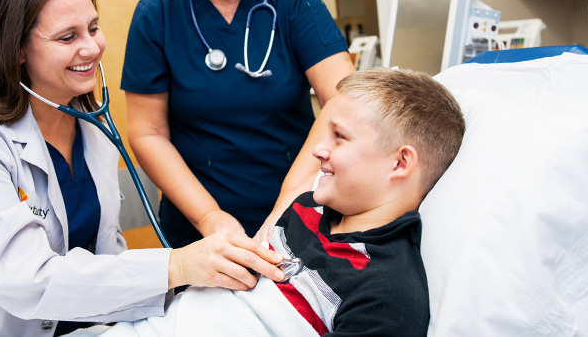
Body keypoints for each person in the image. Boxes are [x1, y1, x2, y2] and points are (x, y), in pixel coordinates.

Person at [0, 0, 286, 337]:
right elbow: (25, 278)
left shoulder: (93, 128)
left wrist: (183, 291)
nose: (91, 47)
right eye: (67, 37)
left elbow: (105, 258)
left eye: (93, 28)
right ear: (16, 48)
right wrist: (179, 264)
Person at [100, 67, 466, 336]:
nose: (318, 149)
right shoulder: (305, 209)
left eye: (339, 137)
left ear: (400, 162)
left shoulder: (386, 292)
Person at [121, 0, 355, 249]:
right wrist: (209, 219)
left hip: (300, 215)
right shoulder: (157, 16)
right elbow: (147, 133)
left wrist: (287, 206)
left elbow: (345, 98)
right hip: (199, 230)